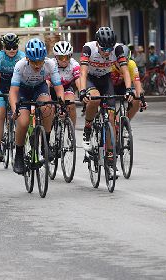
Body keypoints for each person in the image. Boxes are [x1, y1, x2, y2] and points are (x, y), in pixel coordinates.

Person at [79, 27, 133, 178]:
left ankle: (110, 158)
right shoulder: (88, 48)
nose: (107, 52)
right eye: (104, 48)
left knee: (111, 118)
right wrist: (83, 90)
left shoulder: (118, 50)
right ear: (97, 44)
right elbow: (82, 72)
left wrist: (129, 89)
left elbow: (125, 71)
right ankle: (88, 129)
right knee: (94, 99)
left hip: (105, 79)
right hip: (90, 78)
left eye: (110, 48)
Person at [9, 38, 64, 175]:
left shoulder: (50, 64)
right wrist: (14, 108)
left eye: (40, 61)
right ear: (27, 58)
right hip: (23, 90)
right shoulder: (20, 65)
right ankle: (19, 155)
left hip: (39, 87)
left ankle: (45, 142)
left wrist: (62, 103)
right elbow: (13, 91)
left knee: (47, 107)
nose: (38, 65)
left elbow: (58, 87)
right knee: (23, 122)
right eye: (34, 62)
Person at [0, 33, 25, 162]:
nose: (11, 50)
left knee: (20, 112)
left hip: (16, 87)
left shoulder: (21, 56)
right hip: (2, 86)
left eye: (14, 46)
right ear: (3, 47)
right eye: (8, 47)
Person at [110, 44, 147, 120]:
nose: (122, 64)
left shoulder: (131, 64)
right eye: (119, 61)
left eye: (125, 61)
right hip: (110, 87)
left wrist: (141, 98)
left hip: (124, 86)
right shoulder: (110, 64)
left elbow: (137, 82)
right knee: (111, 117)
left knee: (137, 96)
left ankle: (125, 121)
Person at [50, 40, 81, 126]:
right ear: (56, 57)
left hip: (66, 88)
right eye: (61, 57)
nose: (64, 60)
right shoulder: (51, 64)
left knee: (71, 105)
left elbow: (78, 79)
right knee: (49, 108)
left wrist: (82, 91)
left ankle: (72, 131)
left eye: (66, 57)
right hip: (52, 89)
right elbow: (47, 82)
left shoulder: (74, 64)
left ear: (70, 56)